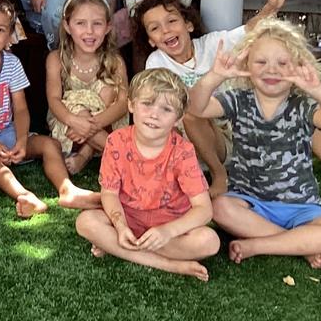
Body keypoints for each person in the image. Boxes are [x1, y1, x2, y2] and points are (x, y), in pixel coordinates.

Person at [135, 0, 321, 207]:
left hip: (241, 130)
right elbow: (171, 110)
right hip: (201, 138)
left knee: (298, 111)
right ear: (150, 40)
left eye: (171, 21)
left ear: (188, 25)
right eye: (155, 28)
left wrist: (271, 8)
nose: (166, 30)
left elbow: (250, 29)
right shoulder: (156, 62)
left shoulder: (212, 43)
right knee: (191, 113)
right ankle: (219, 176)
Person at [188, 18, 321, 269]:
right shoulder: (238, 100)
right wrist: (214, 77)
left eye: (282, 63)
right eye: (261, 62)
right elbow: (196, 107)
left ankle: (260, 245)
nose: (271, 69)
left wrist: (318, 90)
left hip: (302, 207)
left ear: (299, 67)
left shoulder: (303, 105)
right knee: (219, 208)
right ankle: (300, 246)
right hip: (250, 204)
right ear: (247, 65)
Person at [0, 0, 101, 217]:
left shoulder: (12, 64)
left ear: (10, 35)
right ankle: (24, 195)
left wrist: (22, 141)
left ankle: (67, 190)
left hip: (7, 132)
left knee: (50, 145)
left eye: (0, 30)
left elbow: (21, 109)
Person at [74, 68, 219, 281]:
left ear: (178, 118)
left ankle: (117, 246)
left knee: (209, 241)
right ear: (131, 105)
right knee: (85, 222)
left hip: (170, 225)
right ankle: (169, 265)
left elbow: (204, 210)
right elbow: (110, 194)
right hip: (129, 218)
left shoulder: (183, 151)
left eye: (166, 109)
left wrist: (167, 232)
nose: (154, 114)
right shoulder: (116, 141)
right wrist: (120, 226)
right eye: (147, 103)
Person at [46, 0, 130, 173]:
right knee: (73, 99)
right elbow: (53, 100)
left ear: (108, 27)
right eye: (80, 23)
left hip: (104, 123)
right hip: (68, 123)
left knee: (109, 91)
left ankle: (85, 155)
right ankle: (122, 157)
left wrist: (91, 125)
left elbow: (124, 103)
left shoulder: (115, 61)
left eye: (97, 24)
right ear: (67, 26)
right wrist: (75, 121)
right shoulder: (56, 59)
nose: (90, 31)